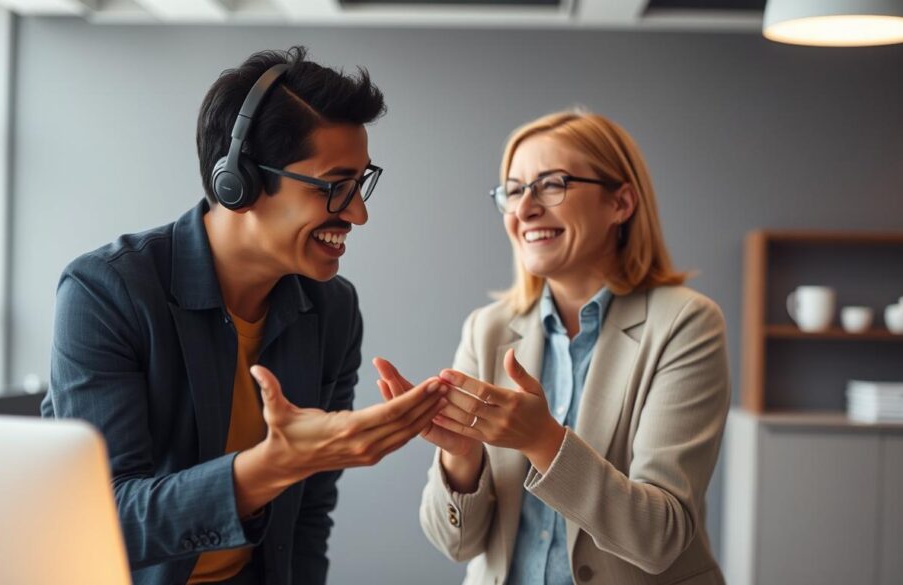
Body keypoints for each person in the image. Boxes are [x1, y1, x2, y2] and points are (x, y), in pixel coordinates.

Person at [41, 46, 449, 585]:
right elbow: (102, 516)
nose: (358, 212)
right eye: (335, 188)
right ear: (240, 182)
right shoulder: (106, 292)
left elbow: (307, 514)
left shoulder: (333, 309)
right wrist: (273, 466)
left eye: (361, 183)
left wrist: (299, 466)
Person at [375, 109, 730, 584]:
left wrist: (542, 440)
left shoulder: (686, 323)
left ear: (620, 203)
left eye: (551, 184)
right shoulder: (487, 329)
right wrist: (461, 456)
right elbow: (455, 544)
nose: (524, 209)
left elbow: (659, 538)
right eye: (514, 190)